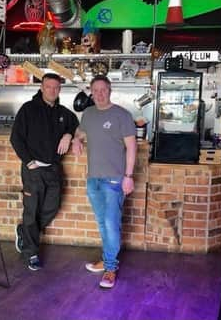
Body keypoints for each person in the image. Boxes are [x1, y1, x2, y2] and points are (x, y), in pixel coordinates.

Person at [71, 75, 137, 289]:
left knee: (111, 224)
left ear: (110, 91)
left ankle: (110, 268)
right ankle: (107, 260)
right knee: (103, 223)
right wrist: (75, 139)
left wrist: (128, 176)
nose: (99, 94)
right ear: (91, 92)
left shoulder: (121, 115)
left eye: (103, 90)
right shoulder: (88, 114)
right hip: (93, 180)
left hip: (114, 180)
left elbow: (132, 147)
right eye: (96, 90)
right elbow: (81, 131)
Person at [10, 73, 79, 270]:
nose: (52, 90)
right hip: (33, 170)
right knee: (31, 212)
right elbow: (16, 138)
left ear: (59, 90)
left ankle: (25, 232)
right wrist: (29, 161)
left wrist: (69, 134)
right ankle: (30, 253)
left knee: (52, 208)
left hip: (53, 170)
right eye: (48, 87)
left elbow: (76, 124)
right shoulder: (28, 109)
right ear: (42, 88)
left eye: (56, 87)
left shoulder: (63, 112)